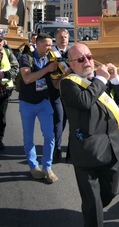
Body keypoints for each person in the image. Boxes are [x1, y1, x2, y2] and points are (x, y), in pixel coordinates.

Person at [60, 43, 119, 227]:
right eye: (81, 59)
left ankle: (93, 209)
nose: (87, 62)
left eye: (89, 57)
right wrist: (101, 79)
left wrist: (114, 79)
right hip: (87, 151)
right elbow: (84, 101)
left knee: (110, 192)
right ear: (72, 64)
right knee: (92, 203)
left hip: (112, 148)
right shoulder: (68, 83)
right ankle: (92, 213)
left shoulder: (102, 80)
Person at [18, 33, 59, 183]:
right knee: (28, 137)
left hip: (44, 103)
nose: (50, 47)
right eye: (47, 44)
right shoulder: (26, 57)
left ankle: (47, 167)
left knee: (49, 136)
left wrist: (65, 74)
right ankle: (33, 166)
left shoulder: (51, 58)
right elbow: (27, 79)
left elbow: (55, 84)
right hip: (27, 103)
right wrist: (47, 69)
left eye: (50, 44)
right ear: (38, 44)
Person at [48, 28, 72, 162]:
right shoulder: (51, 53)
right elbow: (54, 79)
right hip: (56, 91)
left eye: (65, 37)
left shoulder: (72, 52)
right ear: (55, 39)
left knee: (72, 120)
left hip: (71, 90)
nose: (63, 39)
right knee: (59, 120)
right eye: (61, 37)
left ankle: (71, 149)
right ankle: (56, 149)